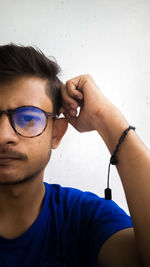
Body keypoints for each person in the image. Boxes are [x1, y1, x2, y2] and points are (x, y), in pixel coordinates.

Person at [0, 43, 149, 267]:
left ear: (56, 134)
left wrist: (104, 116)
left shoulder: (86, 217)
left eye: (29, 118)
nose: (3, 136)